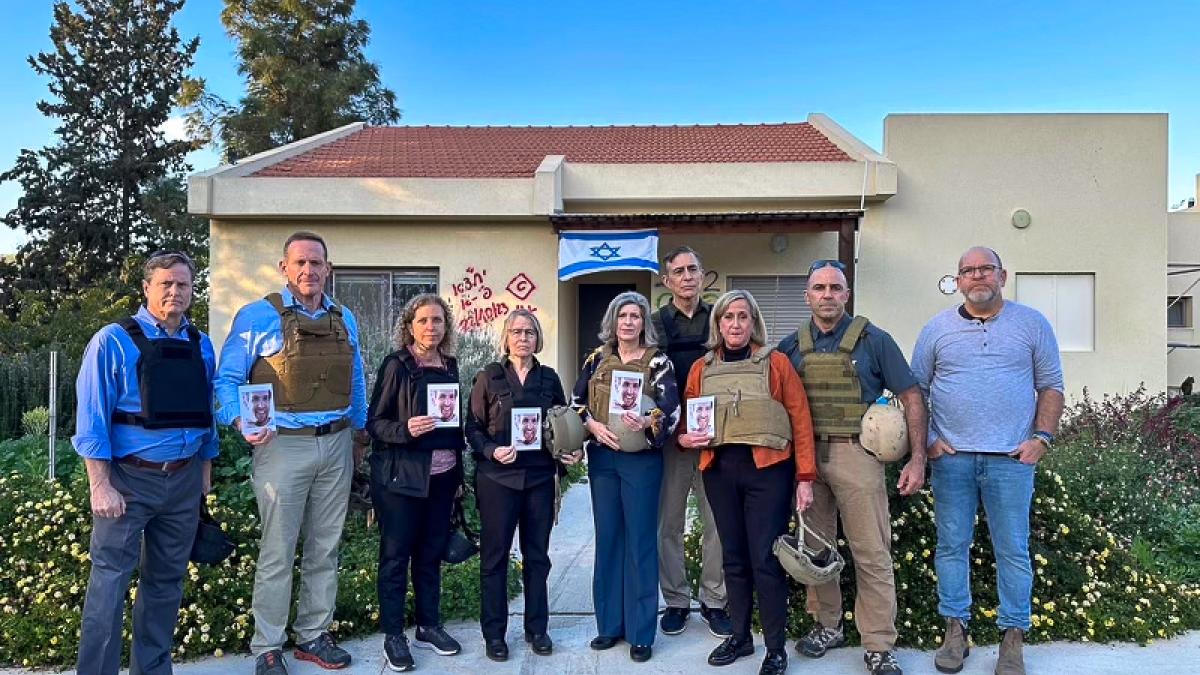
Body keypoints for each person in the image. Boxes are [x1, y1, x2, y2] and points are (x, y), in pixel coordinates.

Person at [215, 232, 369, 675]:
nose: (308, 271)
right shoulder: (257, 316)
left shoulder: (345, 317)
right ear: (284, 267)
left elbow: (356, 380)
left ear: (328, 268)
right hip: (282, 445)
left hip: (337, 442)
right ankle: (267, 645)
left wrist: (359, 434)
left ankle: (314, 636)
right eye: (300, 262)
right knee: (278, 550)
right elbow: (226, 380)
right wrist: (239, 420)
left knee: (325, 546)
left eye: (316, 263)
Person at [911, 247, 1064, 675]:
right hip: (953, 460)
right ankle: (955, 630)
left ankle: (1013, 637)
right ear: (958, 280)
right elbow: (915, 391)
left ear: (1002, 275)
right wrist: (930, 442)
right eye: (968, 270)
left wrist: (1042, 438)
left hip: (1011, 460)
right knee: (951, 546)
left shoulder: (1032, 324)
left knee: (1013, 549)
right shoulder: (936, 329)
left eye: (985, 269)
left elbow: (1051, 386)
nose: (977, 276)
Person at [777, 259, 929, 675]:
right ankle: (828, 625)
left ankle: (879, 643)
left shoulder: (874, 341)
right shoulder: (789, 346)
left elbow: (912, 396)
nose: (827, 295)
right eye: (819, 288)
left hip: (857, 454)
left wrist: (917, 458)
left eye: (835, 288)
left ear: (847, 294)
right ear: (807, 295)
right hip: (807, 460)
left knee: (871, 552)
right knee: (815, 550)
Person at [73, 251, 217, 675]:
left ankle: (152, 670)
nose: (175, 292)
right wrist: (100, 485)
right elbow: (92, 418)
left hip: (184, 481)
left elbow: (205, 410)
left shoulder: (200, 343)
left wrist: (205, 471)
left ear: (193, 290)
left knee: (165, 585)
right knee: (108, 584)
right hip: (127, 481)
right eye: (166, 284)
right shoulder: (111, 340)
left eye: (183, 285)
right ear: (146, 289)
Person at [679, 289, 816, 675]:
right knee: (733, 559)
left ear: (753, 321)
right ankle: (739, 637)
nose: (735, 324)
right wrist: (685, 437)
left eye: (742, 317)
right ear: (717, 324)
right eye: (727, 317)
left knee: (766, 559)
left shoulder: (775, 363)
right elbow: (689, 420)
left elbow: (800, 419)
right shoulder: (702, 368)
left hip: (768, 473)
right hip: (720, 473)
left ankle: (775, 648)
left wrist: (805, 476)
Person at [465, 309, 583, 661]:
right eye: (516, 332)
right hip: (497, 480)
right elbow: (472, 428)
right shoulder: (488, 376)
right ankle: (495, 634)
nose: (523, 338)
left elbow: (565, 426)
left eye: (529, 332)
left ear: (537, 338)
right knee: (494, 558)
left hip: (538, 480)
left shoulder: (549, 379)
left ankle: (537, 629)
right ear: (506, 338)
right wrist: (490, 449)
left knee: (537, 557)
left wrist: (569, 453)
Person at [572, 291, 679, 662]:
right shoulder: (596, 359)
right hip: (603, 458)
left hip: (641, 462)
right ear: (613, 321)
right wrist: (592, 426)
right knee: (609, 540)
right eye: (623, 315)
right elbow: (577, 402)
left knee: (640, 542)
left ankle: (641, 632)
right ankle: (609, 627)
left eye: (635, 315)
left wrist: (649, 422)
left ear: (643, 322)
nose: (629, 322)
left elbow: (671, 411)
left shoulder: (658, 362)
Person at [366, 293, 468, 672]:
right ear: (409, 325)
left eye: (438, 321)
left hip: (441, 479)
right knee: (395, 558)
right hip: (401, 480)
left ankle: (428, 625)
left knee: (430, 555)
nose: (431, 327)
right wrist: (405, 429)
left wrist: (458, 476)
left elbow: (453, 426)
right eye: (423, 320)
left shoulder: (450, 365)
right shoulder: (397, 365)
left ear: (447, 326)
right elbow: (374, 422)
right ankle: (394, 634)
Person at [650, 246, 731, 638]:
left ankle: (714, 601)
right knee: (669, 522)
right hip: (671, 439)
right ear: (667, 281)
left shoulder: (719, 318)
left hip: (714, 436)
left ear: (703, 275)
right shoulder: (655, 323)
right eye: (678, 271)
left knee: (717, 521)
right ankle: (677, 601)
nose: (686, 277)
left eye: (692, 269)